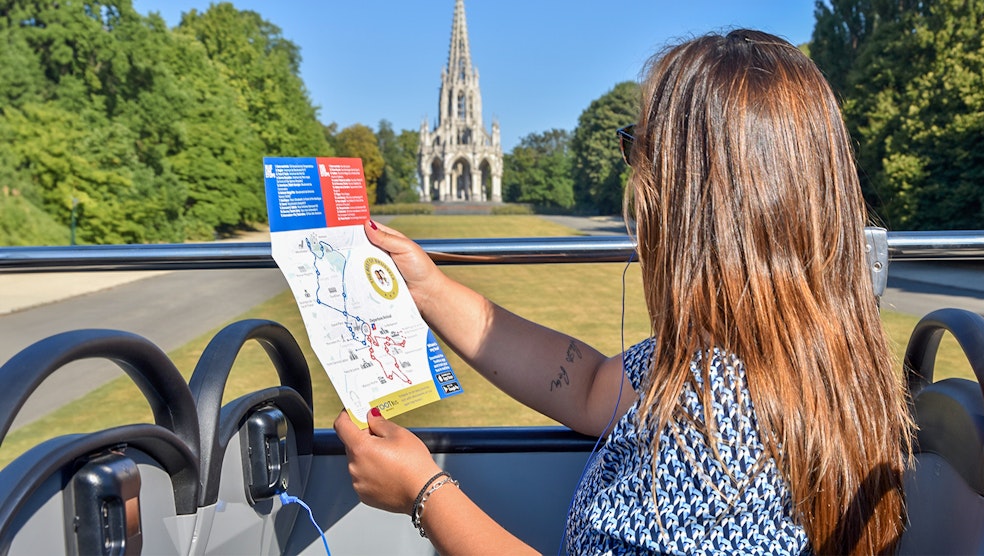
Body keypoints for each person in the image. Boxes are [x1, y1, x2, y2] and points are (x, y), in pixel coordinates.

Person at [335, 29, 913, 555]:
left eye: (639, 148)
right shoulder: (760, 354)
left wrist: (423, 491)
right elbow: (588, 387)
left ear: (690, 204)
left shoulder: (721, 422)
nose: (634, 182)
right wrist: (430, 288)